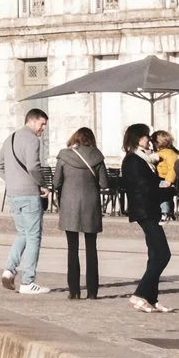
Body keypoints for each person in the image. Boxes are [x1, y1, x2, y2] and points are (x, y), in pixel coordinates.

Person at [120, 123, 175, 312]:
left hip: (150, 209)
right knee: (163, 254)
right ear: (137, 138)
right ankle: (139, 294)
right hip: (145, 211)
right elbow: (144, 187)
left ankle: (151, 297)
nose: (149, 140)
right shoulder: (133, 160)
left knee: (154, 255)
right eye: (146, 136)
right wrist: (165, 189)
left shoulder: (143, 159)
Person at [0, 108, 52, 295]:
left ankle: (9, 270)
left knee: (22, 234)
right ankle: (28, 281)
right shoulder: (32, 140)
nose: (43, 128)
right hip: (29, 194)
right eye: (42, 123)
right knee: (33, 237)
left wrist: (13, 181)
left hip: (13, 194)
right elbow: (33, 166)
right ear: (31, 121)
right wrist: (43, 185)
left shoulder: (10, 138)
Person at [56, 127, 106, 300]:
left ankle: (74, 290)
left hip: (69, 205)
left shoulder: (64, 155)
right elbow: (104, 183)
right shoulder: (97, 156)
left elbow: (56, 182)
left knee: (72, 249)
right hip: (91, 205)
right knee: (92, 249)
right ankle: (92, 291)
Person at [152, 131, 179, 219]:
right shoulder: (164, 152)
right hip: (161, 178)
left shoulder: (170, 153)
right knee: (165, 197)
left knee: (164, 196)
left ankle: (165, 212)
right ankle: (168, 212)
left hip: (165, 179)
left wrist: (169, 180)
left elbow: (173, 168)